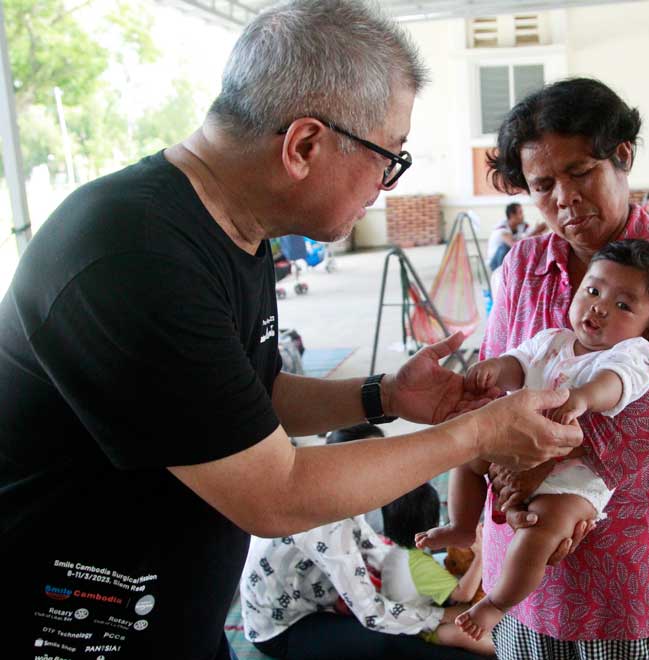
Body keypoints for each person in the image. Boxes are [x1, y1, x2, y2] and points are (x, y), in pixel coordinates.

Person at [0, 3, 587, 658]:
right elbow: (275, 495)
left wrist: (384, 396)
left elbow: (243, 397)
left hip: (169, 623)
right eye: (387, 158)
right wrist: (479, 432)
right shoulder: (133, 258)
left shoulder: (229, 232)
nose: (385, 188)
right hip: (72, 635)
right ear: (305, 145)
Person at [477, 77, 649, 658]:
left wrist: (545, 464)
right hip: (521, 547)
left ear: (623, 156)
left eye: (580, 172)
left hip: (630, 557)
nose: (563, 198)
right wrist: (505, 474)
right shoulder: (523, 263)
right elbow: (495, 375)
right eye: (543, 185)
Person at [417, 240, 649, 642]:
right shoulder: (553, 340)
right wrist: (496, 369)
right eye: (593, 292)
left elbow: (617, 384)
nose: (599, 307)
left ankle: (496, 603)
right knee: (469, 457)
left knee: (541, 531)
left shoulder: (631, 352)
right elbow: (519, 365)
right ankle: (460, 526)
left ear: (647, 328)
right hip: (515, 447)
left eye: (623, 305)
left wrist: (582, 398)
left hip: (575, 476)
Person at [239, 512, 484, 660]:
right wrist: (441, 615)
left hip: (319, 596)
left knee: (403, 617)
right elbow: (374, 616)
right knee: (390, 641)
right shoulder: (325, 530)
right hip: (283, 630)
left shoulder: (342, 508)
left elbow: (376, 549)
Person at [381, 485, 495, 655]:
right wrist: (480, 556)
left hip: (414, 610)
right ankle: (499, 647)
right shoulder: (418, 564)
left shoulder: (396, 553)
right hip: (420, 627)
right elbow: (464, 594)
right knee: (459, 633)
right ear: (433, 524)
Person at [487, 203, 527, 271]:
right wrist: (535, 231)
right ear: (512, 215)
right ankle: (502, 275)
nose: (523, 215)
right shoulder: (502, 228)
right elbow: (514, 245)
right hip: (495, 262)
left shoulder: (521, 226)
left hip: (508, 260)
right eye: (520, 212)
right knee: (505, 247)